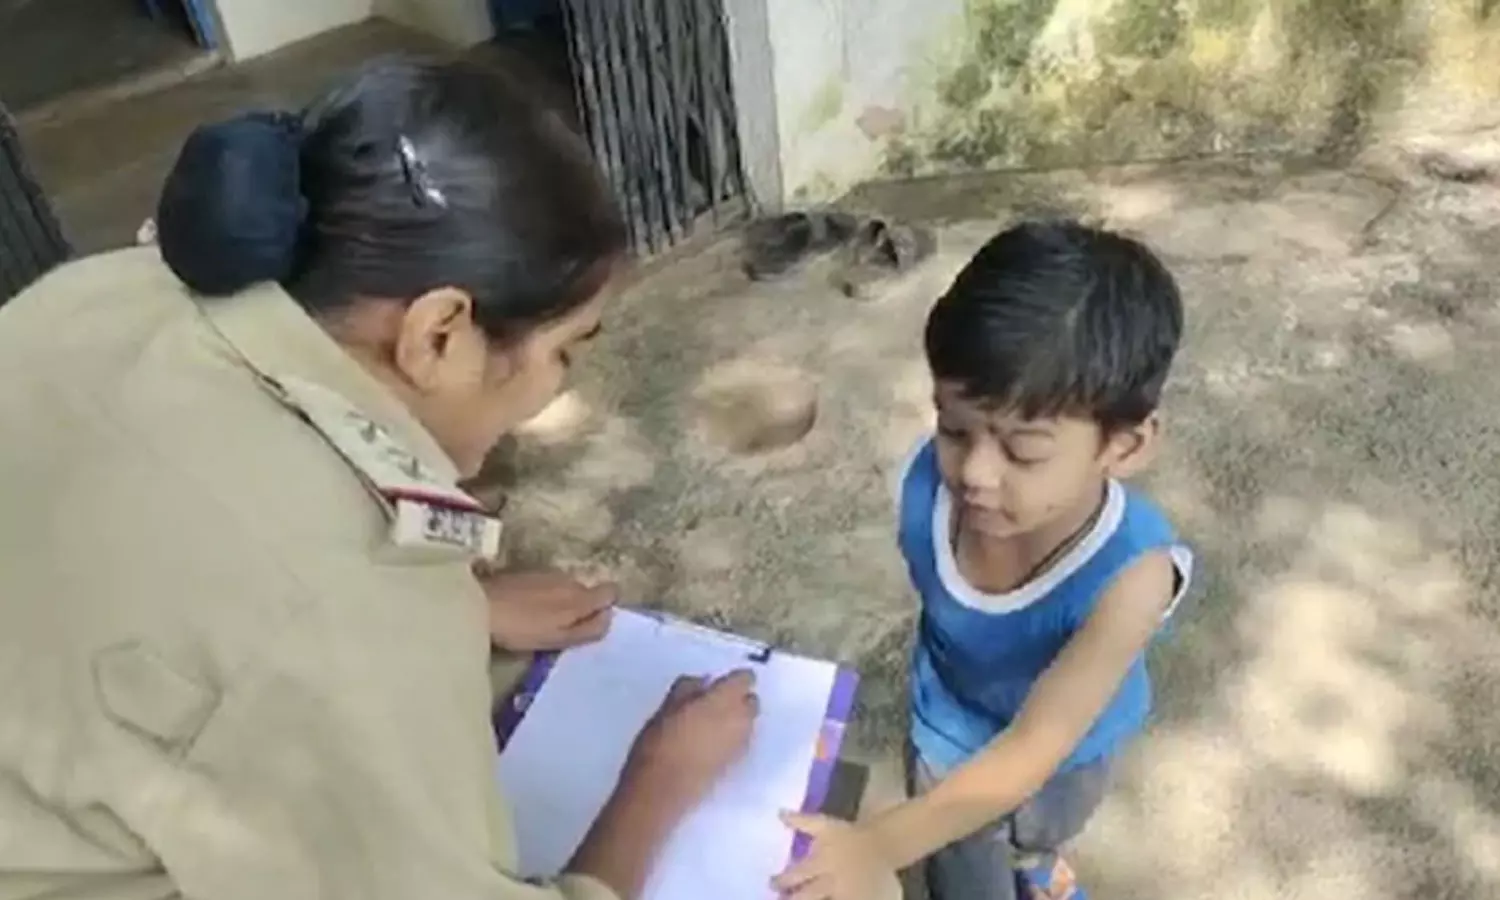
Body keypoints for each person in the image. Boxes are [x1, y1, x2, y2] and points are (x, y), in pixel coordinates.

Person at [0, 57, 773, 900]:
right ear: (438, 334)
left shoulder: (103, 290)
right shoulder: (344, 603)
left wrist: (463, 610)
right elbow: (292, 618)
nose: (558, 386)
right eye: (563, 351)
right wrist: (659, 780)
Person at [776, 221, 1193, 900]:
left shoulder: (1133, 578)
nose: (974, 473)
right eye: (953, 428)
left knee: (1041, 829)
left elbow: (1034, 748)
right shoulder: (926, 487)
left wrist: (879, 845)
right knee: (962, 871)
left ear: (1125, 446)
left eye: (1024, 451)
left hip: (1066, 758)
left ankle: (1037, 865)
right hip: (946, 727)